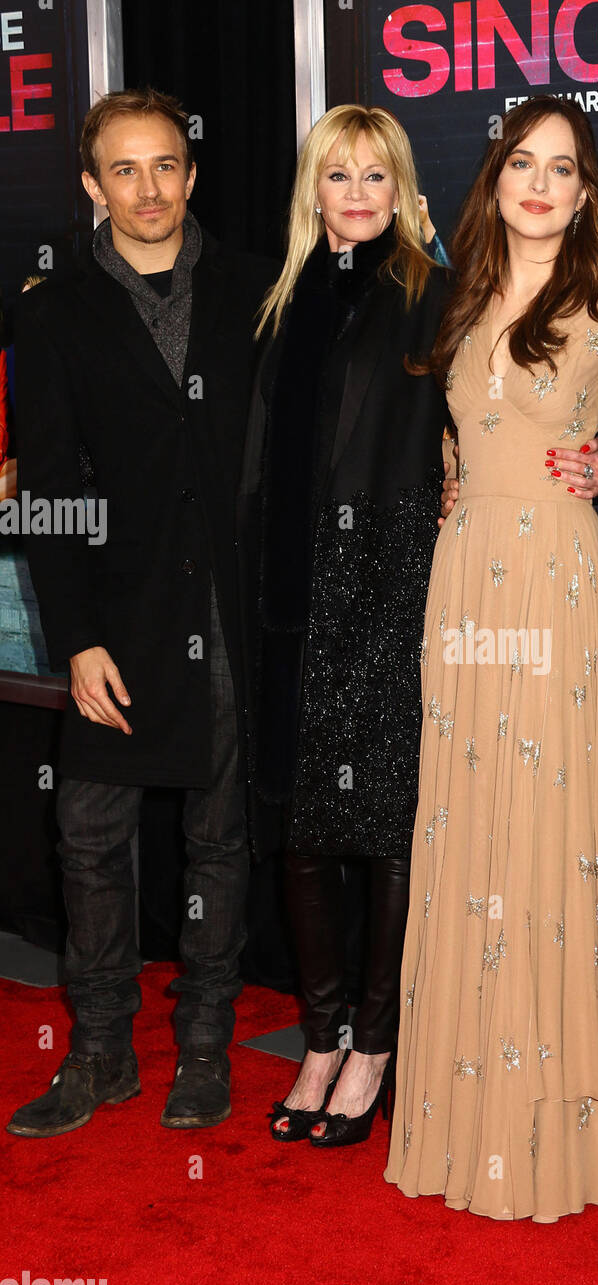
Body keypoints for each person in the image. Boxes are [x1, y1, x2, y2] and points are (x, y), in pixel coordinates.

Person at [384, 95, 598, 1221]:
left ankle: (561, 1124)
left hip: (559, 585)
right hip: (465, 580)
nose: (539, 184)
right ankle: (466, 1109)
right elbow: (447, 439)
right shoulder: (449, 297)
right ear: (493, 178)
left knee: (555, 837)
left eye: (564, 168)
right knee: (470, 828)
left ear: (589, 192)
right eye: (522, 164)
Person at [7, 88, 273, 1137]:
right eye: (124, 170)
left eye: (165, 165)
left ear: (191, 172)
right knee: (88, 839)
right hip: (113, 622)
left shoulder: (256, 290)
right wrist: (74, 636)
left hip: (225, 618)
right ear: (89, 186)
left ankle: (205, 1049)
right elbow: (52, 487)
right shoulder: (53, 309)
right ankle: (101, 1053)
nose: (149, 189)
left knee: (219, 841)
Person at [239, 105, 451, 1148]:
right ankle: (317, 1037)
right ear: (312, 191)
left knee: (386, 826)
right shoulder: (281, 304)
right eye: (338, 175)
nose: (357, 192)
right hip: (290, 603)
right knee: (303, 826)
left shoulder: (435, 296)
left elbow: (474, 423)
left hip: (389, 594)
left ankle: (374, 1043)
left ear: (402, 189)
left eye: (376, 174)